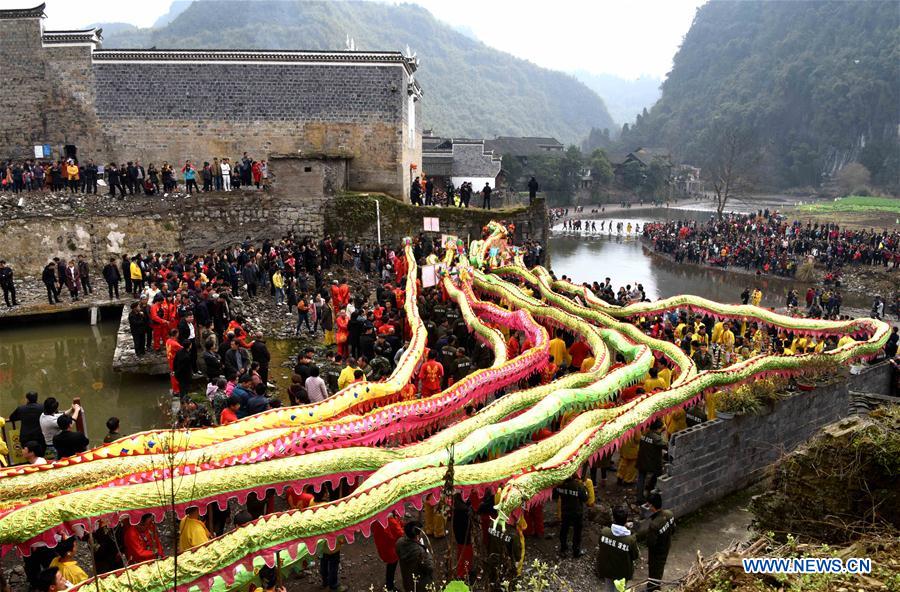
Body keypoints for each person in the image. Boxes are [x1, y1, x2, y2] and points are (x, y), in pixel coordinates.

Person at [637, 492, 676, 591]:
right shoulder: (669, 514)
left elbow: (650, 543)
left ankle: (653, 589)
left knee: (654, 572)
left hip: (657, 553)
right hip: (666, 546)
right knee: (660, 569)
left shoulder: (654, 525)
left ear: (651, 506)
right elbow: (673, 528)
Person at [595, 506, 640, 592]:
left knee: (608, 588)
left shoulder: (604, 532)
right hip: (622, 573)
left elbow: (601, 545)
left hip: (607, 569)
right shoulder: (630, 540)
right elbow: (635, 556)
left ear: (613, 517)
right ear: (626, 519)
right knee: (619, 590)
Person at [553, 473, 588, 557]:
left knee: (564, 530)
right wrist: (584, 487)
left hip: (565, 512)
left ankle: (563, 548)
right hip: (577, 513)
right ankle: (576, 551)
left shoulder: (559, 485)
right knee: (577, 532)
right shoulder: (578, 486)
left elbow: (554, 496)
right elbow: (585, 498)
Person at [396, 521, 433, 592]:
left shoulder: (399, 542)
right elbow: (430, 567)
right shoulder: (420, 552)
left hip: (407, 581)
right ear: (417, 535)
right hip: (421, 585)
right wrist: (426, 552)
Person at [636, 419, 667, 504]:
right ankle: (650, 491)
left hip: (641, 460)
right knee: (658, 474)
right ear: (657, 428)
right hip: (652, 462)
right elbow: (666, 445)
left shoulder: (645, 434)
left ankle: (639, 498)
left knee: (641, 478)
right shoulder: (657, 438)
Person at [372, 512, 404, 591]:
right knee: (391, 566)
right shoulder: (390, 519)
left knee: (390, 566)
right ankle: (390, 586)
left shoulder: (377, 517)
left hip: (383, 545)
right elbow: (400, 533)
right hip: (391, 549)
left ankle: (389, 584)